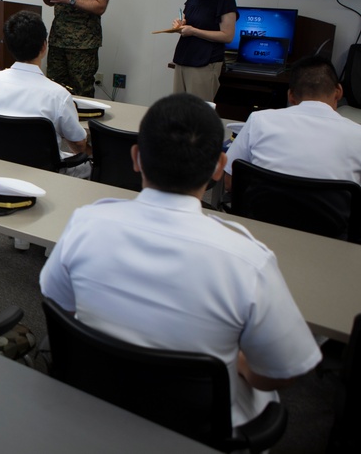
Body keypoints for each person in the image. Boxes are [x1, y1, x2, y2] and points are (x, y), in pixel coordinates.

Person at [40, 93, 321, 429]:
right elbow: (282, 371)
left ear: (136, 157)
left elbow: (59, 306)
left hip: (96, 407)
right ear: (219, 167)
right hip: (199, 429)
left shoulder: (84, 224)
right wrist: (243, 365)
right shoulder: (248, 260)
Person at [224, 55, 361, 189]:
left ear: (291, 96)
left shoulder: (258, 120)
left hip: (262, 210)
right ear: (338, 92)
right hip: (333, 212)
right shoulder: (357, 135)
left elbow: (230, 182)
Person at [0, 11, 89, 173]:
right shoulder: (58, 95)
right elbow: (79, 144)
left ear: (9, 46)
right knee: (89, 166)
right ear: (44, 46)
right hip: (45, 174)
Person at [170, 0, 238, 101]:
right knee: (178, 109)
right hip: (184, 58)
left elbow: (227, 35)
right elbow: (189, 20)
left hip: (205, 63)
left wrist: (193, 31)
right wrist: (181, 25)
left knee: (197, 113)